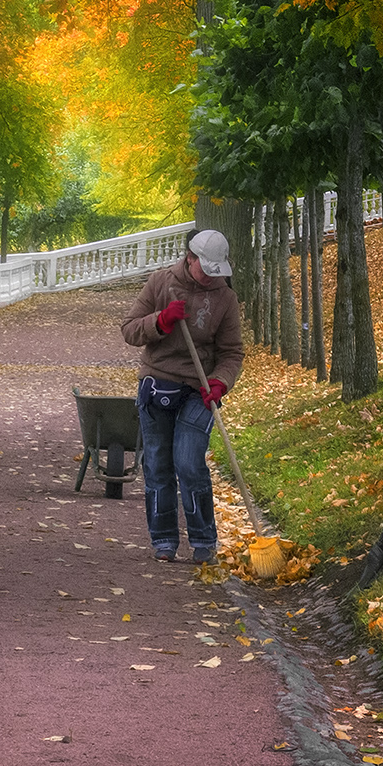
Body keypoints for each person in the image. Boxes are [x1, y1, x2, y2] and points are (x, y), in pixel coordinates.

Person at [120, 229, 244, 564]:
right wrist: (159, 321)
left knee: (189, 462)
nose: (210, 279)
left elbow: (232, 352)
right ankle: (163, 540)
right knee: (158, 465)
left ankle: (204, 540)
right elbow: (129, 329)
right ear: (190, 259)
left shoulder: (225, 299)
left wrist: (220, 382)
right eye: (206, 270)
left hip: (199, 388)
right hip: (157, 382)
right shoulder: (160, 283)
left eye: (216, 272)